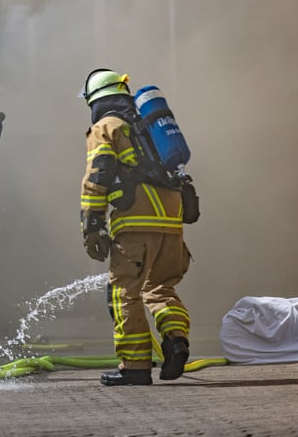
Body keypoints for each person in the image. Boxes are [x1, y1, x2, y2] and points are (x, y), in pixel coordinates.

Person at [79, 68, 191, 386]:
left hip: (136, 224)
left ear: (95, 100)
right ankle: (176, 340)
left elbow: (97, 178)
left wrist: (92, 226)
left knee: (124, 294)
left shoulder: (106, 127)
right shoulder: (147, 127)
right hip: (171, 221)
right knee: (161, 288)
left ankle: (135, 367)